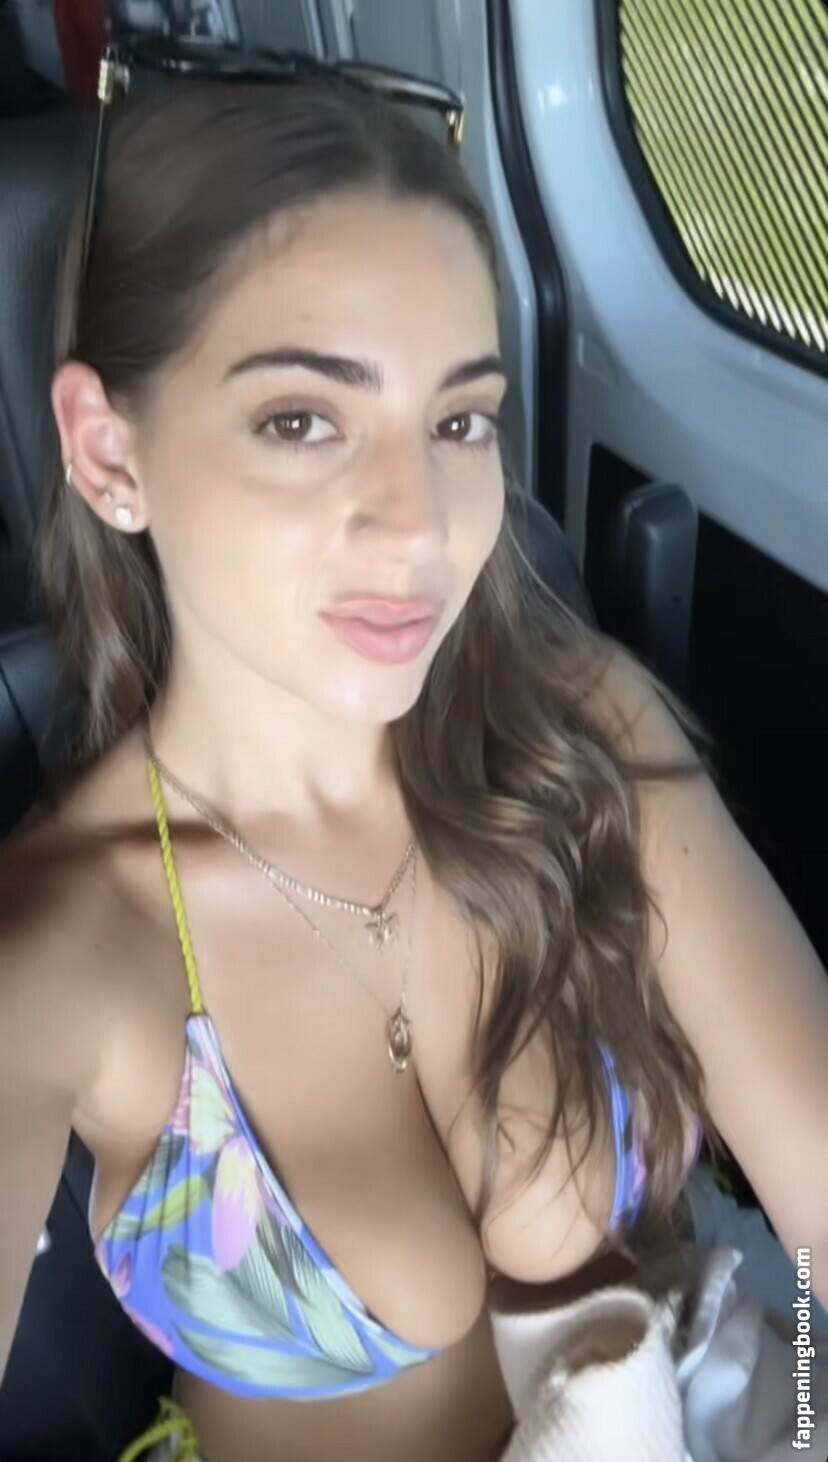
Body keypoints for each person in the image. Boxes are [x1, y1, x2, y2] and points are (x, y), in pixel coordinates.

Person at [1, 46, 827, 1462]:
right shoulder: (62, 941)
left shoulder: (580, 732)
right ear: (109, 452)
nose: (420, 523)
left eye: (457, 420)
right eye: (302, 420)